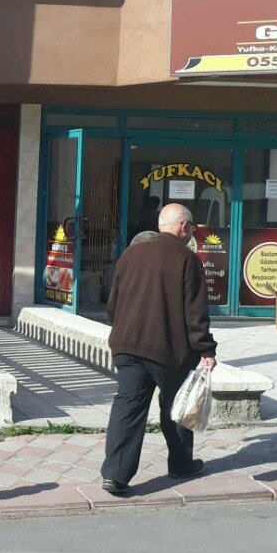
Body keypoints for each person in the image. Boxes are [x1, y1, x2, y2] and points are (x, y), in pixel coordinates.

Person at [100, 203, 217, 496]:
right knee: (176, 407)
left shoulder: (130, 255)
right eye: (191, 227)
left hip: (128, 347)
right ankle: (181, 465)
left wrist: (126, 329)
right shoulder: (188, 259)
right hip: (169, 351)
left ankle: (115, 476)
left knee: (128, 408)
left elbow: (113, 305)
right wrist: (206, 349)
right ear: (184, 226)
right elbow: (195, 313)